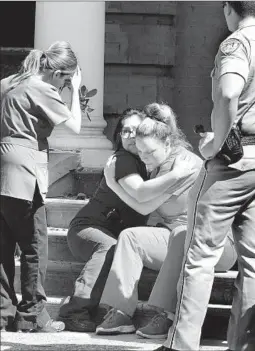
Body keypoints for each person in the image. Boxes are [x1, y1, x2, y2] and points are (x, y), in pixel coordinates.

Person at [153, 2, 255, 351]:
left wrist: (218, 144)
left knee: (198, 258)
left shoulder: (237, 43)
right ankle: (244, 347)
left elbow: (229, 92)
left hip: (235, 160)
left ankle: (181, 345)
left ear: (227, 9)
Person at [95, 103, 237, 335]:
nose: (144, 157)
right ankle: (120, 312)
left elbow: (143, 201)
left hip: (216, 245)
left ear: (168, 143)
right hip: (177, 239)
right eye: (140, 151)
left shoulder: (185, 165)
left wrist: (112, 183)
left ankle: (165, 314)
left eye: (149, 152)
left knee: (181, 234)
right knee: (131, 237)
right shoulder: (160, 164)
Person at [58, 108, 184, 332]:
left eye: (135, 130)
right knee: (110, 246)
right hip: (88, 229)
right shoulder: (123, 159)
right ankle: (74, 311)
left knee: (122, 244)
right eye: (125, 131)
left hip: (116, 231)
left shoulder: (148, 162)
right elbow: (141, 194)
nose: (129, 136)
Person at [0, 41, 82, 332]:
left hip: (2, 164)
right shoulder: (43, 88)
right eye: (68, 78)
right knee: (34, 245)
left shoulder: (8, 82)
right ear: (59, 74)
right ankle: (34, 316)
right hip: (24, 168)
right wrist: (74, 93)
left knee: (3, 246)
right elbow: (74, 128)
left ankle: (3, 314)